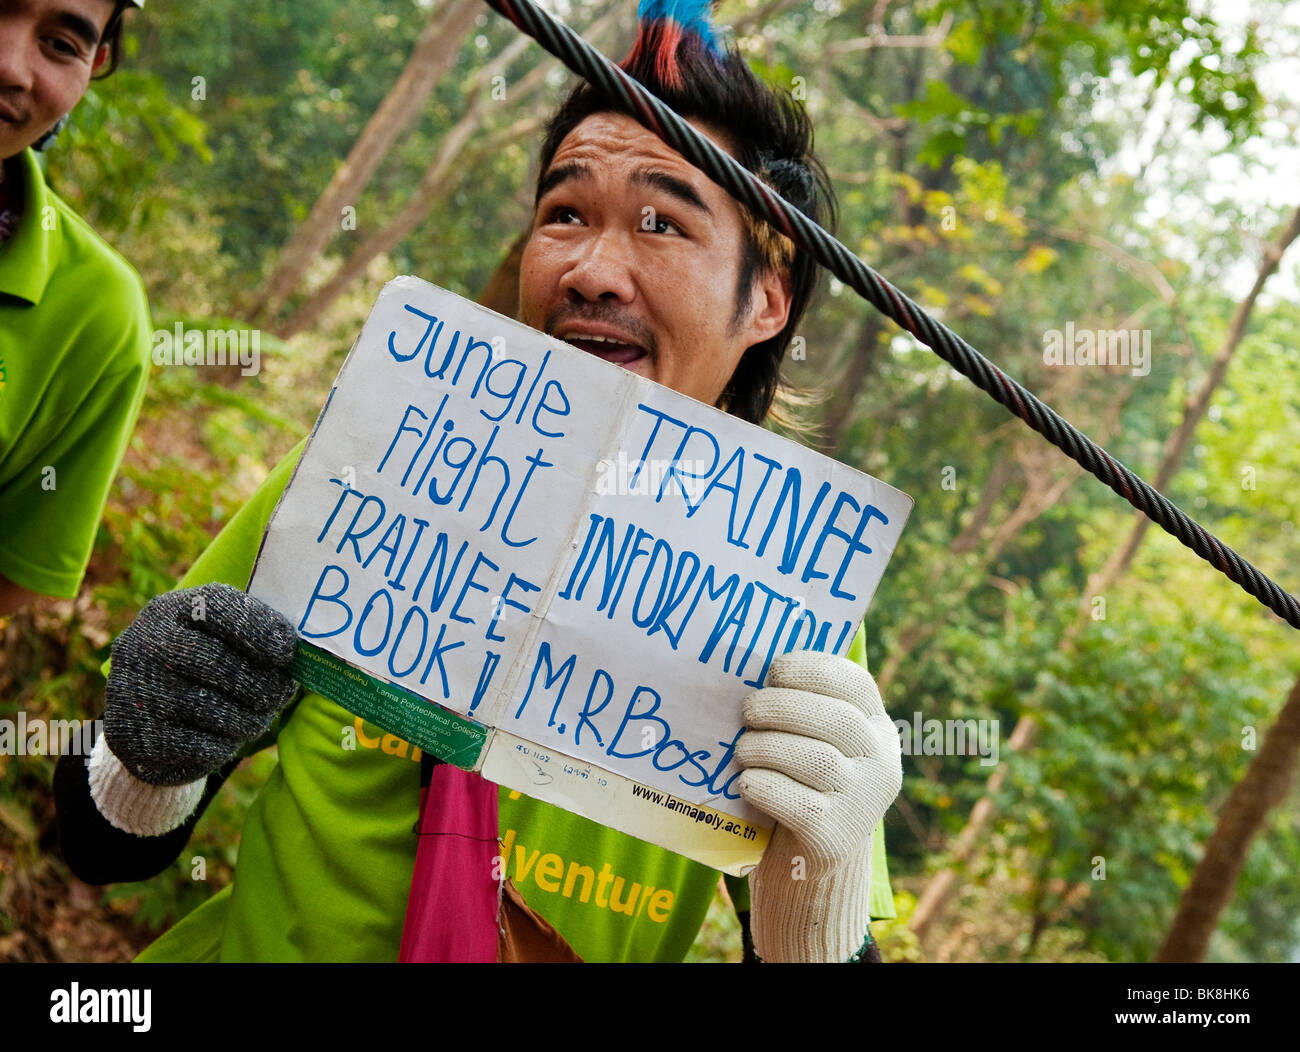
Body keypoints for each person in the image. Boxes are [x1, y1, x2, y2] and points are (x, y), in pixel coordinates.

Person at [54, 0, 904, 963]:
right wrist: (146, 753)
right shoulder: (366, 463)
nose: (590, 270)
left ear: (767, 299)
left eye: (664, 222)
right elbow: (99, 848)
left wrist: (817, 907)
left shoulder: (787, 591)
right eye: (565, 212)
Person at [0, 0, 150, 616]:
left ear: (97, 65)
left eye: (60, 44)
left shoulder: (97, 312)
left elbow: (16, 572)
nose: (9, 64)